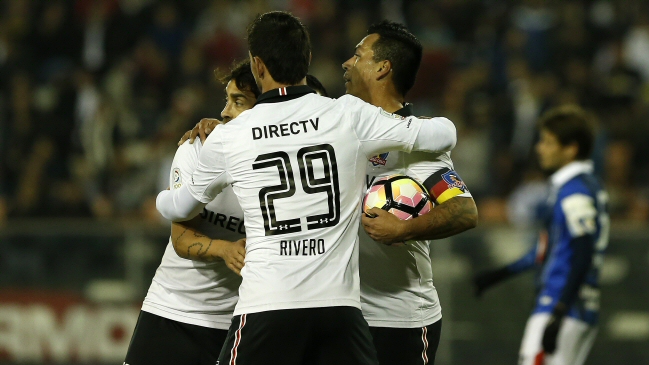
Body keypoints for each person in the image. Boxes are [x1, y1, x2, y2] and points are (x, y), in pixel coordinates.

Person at [156, 11, 457, 365]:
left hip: (268, 305)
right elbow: (446, 133)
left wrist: (163, 196)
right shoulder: (347, 115)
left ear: (258, 66)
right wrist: (403, 126)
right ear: (307, 60)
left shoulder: (230, 134)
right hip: (339, 311)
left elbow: (180, 209)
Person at [343, 20, 478, 365]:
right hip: (342, 311)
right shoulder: (342, 126)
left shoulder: (416, 145)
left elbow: (464, 211)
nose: (347, 63)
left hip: (397, 317)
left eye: (358, 55)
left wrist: (403, 229)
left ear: (382, 67)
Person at [123, 60, 258, 365]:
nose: (225, 111)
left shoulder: (284, 169)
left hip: (237, 323)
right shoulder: (198, 148)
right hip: (172, 309)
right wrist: (226, 249)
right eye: (226, 99)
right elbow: (182, 238)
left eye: (238, 101)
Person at [473, 105, 608, 365]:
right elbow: (549, 250)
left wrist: (559, 310)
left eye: (547, 142)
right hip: (578, 307)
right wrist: (500, 274)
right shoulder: (584, 186)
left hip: (562, 305)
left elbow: (583, 252)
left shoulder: (574, 192)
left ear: (571, 149)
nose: (539, 148)